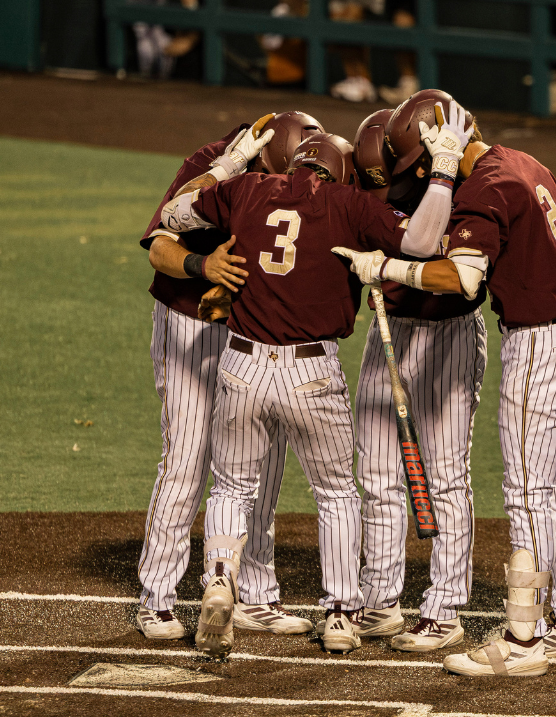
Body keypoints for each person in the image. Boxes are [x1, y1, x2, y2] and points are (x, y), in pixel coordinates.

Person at [156, 105, 468, 658]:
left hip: (242, 365)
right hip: (312, 375)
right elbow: (421, 243)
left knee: (231, 487)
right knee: (336, 493)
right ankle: (343, 614)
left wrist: (227, 167)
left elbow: (176, 215)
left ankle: (221, 578)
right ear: (342, 172)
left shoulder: (247, 190)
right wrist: (441, 173)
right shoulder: (350, 204)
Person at [335, 104, 556, 677]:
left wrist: (386, 268)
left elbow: (462, 277)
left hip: (540, 350)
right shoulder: (524, 163)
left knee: (529, 495)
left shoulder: (483, 189)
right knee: (555, 489)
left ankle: (524, 639)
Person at [134, 111, 324, 643]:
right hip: (190, 321)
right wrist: (203, 267)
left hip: (252, 330)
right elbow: (158, 242)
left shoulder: (307, 175)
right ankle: (158, 598)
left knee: (256, 460)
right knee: (189, 455)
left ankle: (255, 594)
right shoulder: (210, 164)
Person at [346, 95, 488, 652]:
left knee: (447, 474)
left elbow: (438, 252)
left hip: (450, 332)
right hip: (392, 328)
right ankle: (380, 600)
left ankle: (446, 607)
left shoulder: (472, 185)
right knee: (378, 473)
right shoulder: (374, 168)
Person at [260, 0, 312, 87]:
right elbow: (270, 44)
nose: (282, 0)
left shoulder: (312, 11)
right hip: (284, 80)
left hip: (308, 79)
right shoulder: (280, 12)